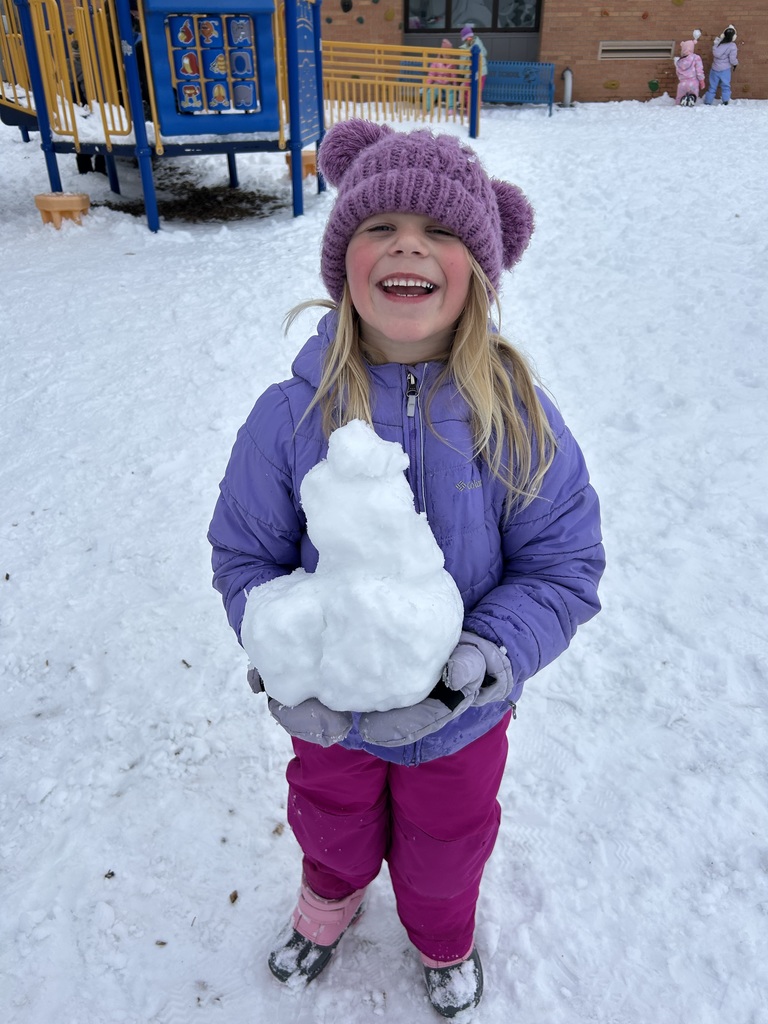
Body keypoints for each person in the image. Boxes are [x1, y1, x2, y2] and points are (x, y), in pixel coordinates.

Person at [208, 119, 605, 1018]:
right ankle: (330, 898)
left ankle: (440, 933)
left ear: (480, 271)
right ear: (344, 260)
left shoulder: (518, 419)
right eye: (379, 227)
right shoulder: (290, 415)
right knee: (330, 816)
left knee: (448, 839)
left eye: (440, 233)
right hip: (330, 712)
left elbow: (563, 563)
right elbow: (247, 554)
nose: (407, 246)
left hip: (461, 720)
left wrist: (479, 666)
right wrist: (281, 651)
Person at [704, 25, 738, 105]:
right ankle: (725, 101)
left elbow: (715, 53)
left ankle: (708, 102)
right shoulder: (732, 46)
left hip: (714, 68)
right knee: (726, 86)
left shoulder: (717, 44)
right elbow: (732, 59)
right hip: (725, 69)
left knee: (712, 86)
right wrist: (735, 63)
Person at [459, 24, 488, 112]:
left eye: (470, 37)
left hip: (473, 74)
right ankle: (473, 111)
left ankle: (471, 112)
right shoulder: (479, 43)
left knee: (471, 93)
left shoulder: (466, 49)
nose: (469, 39)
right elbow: (485, 53)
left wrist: (462, 72)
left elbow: (463, 63)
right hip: (481, 73)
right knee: (475, 92)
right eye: (467, 38)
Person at [424, 38, 458, 114]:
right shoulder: (436, 61)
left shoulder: (452, 62)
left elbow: (453, 75)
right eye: (444, 52)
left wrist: (455, 85)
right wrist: (427, 85)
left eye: (448, 52)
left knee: (451, 92)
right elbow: (431, 74)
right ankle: (426, 108)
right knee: (431, 92)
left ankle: (451, 108)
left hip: (447, 82)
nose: (446, 54)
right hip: (437, 82)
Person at [674, 39, 705, 106]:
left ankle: (681, 103)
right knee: (693, 97)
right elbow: (699, 71)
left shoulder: (679, 61)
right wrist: (701, 81)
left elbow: (678, 73)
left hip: (682, 83)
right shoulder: (696, 57)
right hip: (693, 83)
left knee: (679, 101)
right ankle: (691, 98)